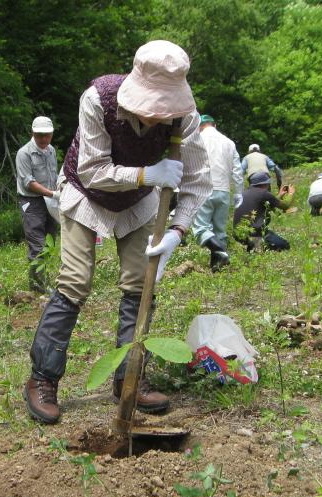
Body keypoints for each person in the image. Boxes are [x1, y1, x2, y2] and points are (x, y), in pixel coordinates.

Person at [22, 40, 211, 424]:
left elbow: (197, 181)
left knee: (141, 285)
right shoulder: (98, 99)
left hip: (139, 202)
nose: (160, 114)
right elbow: (93, 169)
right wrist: (148, 173)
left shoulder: (184, 116)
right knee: (75, 281)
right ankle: (42, 379)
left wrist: (177, 230)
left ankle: (130, 379)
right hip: (84, 193)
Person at [191, 114, 241, 272]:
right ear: (215, 125)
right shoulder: (229, 142)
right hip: (224, 191)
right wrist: (238, 193)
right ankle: (217, 267)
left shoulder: (197, 139)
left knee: (200, 229)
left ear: (199, 126)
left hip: (203, 188)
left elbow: (189, 165)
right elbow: (238, 170)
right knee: (220, 231)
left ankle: (222, 253)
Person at [15, 116, 59, 293]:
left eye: (47, 135)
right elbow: (29, 183)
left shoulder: (51, 151)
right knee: (37, 244)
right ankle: (40, 286)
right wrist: (53, 193)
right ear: (33, 133)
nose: (44, 139)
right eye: (40, 135)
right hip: (31, 202)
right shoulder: (24, 153)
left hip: (50, 200)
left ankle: (37, 283)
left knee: (49, 242)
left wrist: (56, 191)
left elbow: (53, 176)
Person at [234, 172, 293, 251]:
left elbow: (266, 204)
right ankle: (257, 246)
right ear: (264, 184)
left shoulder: (243, 194)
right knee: (285, 245)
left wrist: (279, 195)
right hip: (255, 233)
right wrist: (291, 194)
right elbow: (286, 205)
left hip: (238, 234)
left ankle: (251, 245)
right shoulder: (264, 193)